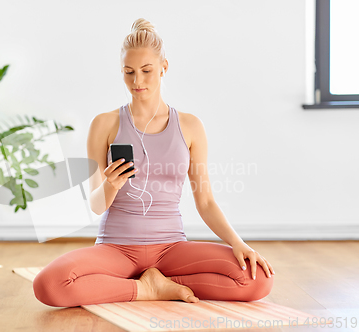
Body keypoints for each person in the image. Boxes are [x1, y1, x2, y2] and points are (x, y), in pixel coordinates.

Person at [33, 18, 275, 308]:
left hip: (171, 248)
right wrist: (111, 185)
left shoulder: (190, 126)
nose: (137, 81)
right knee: (48, 284)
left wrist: (239, 243)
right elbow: (95, 205)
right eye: (129, 72)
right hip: (116, 248)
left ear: (164, 67)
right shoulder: (105, 124)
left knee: (258, 278)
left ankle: (162, 283)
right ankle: (146, 289)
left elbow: (206, 202)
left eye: (146, 71)